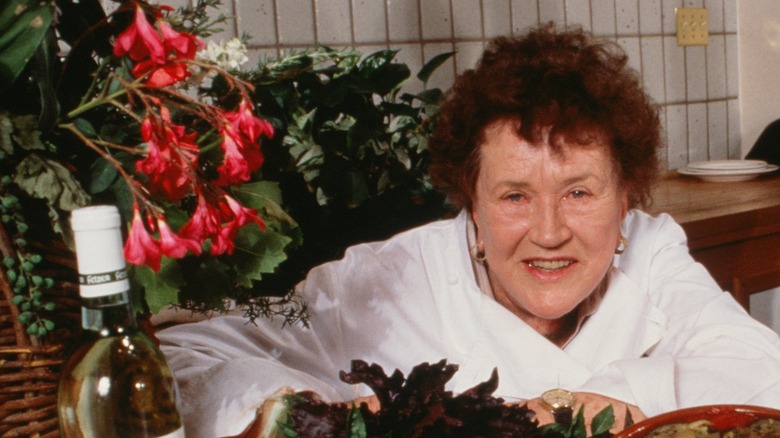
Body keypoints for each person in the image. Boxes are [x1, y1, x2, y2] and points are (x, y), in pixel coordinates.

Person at [157, 24, 780, 437]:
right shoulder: (388, 277)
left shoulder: (651, 250)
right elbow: (180, 356)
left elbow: (761, 369)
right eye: (514, 196)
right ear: (472, 209)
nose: (550, 231)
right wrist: (309, 409)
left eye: (579, 193)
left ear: (625, 204)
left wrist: (600, 397)